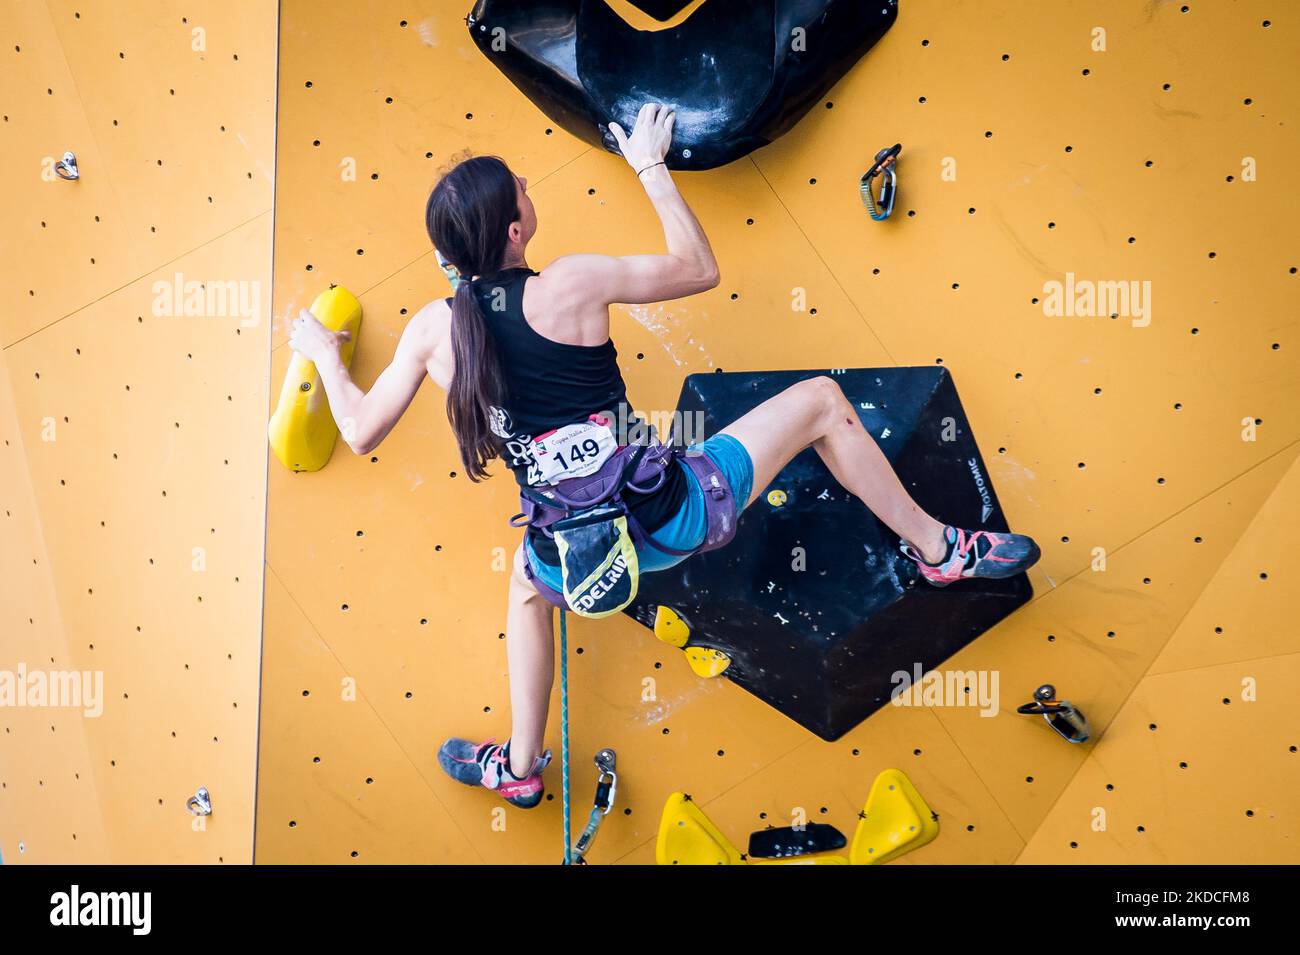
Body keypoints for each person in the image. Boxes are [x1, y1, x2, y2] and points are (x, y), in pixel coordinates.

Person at [288, 103, 1040, 809]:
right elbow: (697, 266)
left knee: (523, 587)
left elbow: (357, 430)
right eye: (519, 185)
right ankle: (939, 549)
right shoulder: (571, 283)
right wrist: (649, 164)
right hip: (675, 513)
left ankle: (519, 769)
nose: (527, 182)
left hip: (568, 555)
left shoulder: (432, 332)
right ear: (515, 231)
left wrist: (323, 352)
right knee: (820, 403)